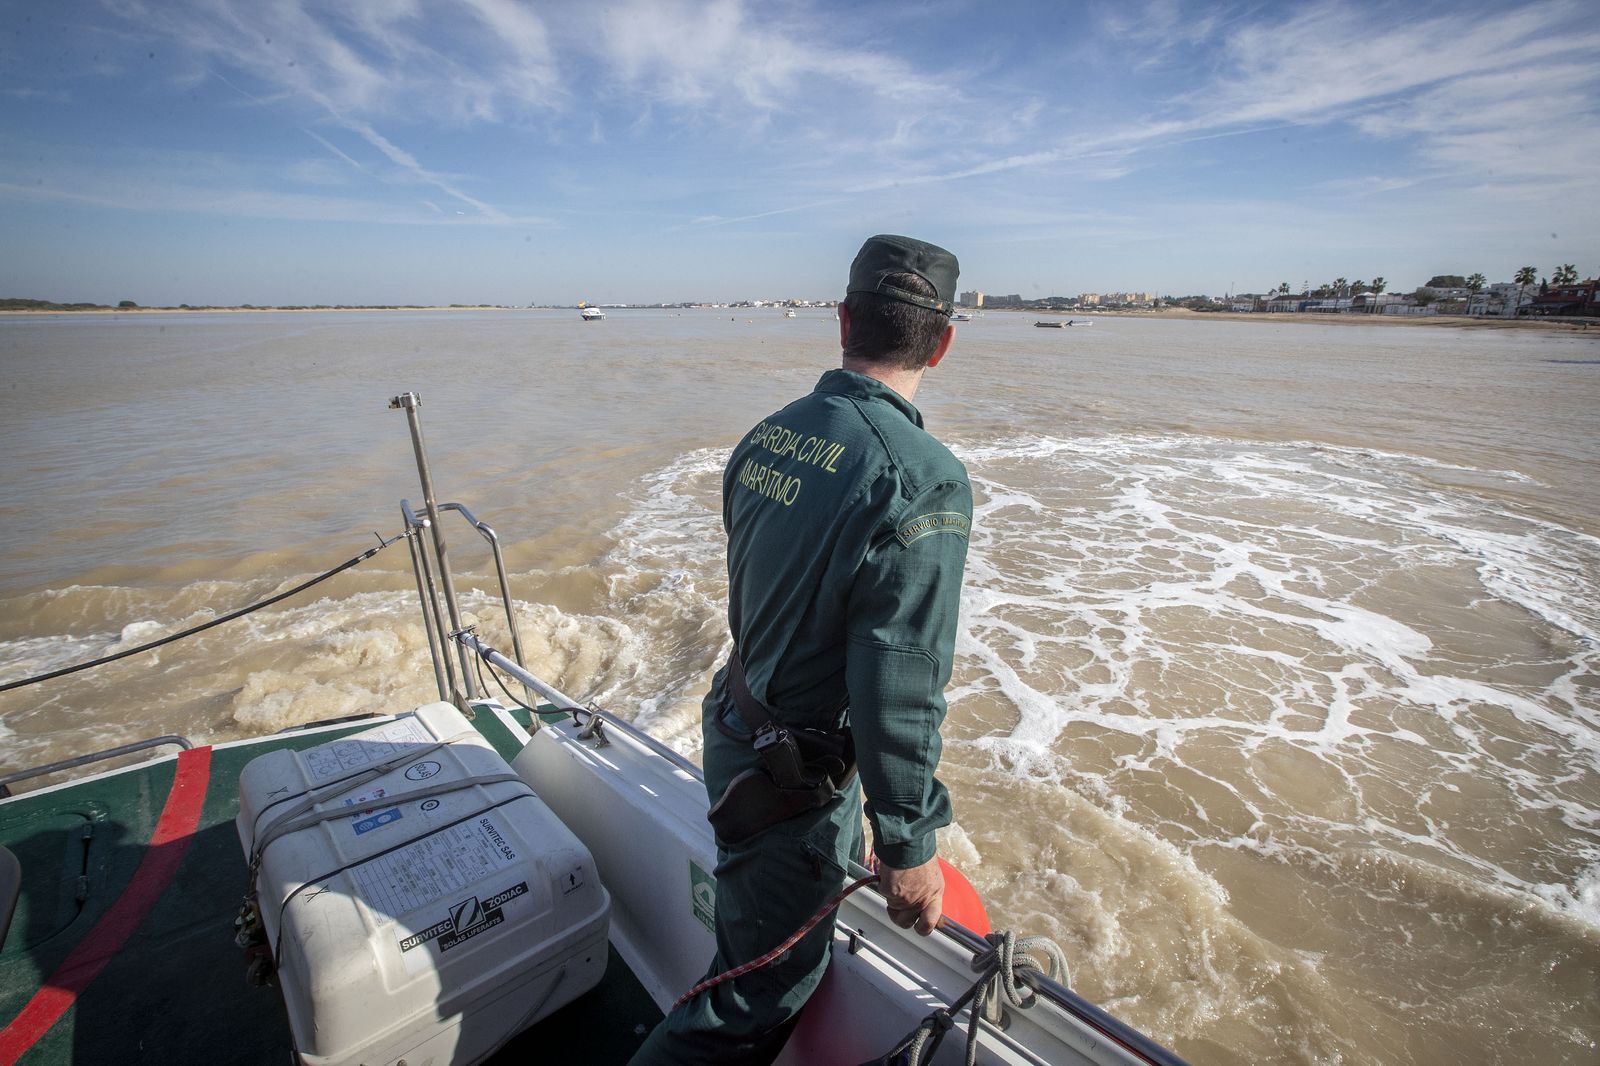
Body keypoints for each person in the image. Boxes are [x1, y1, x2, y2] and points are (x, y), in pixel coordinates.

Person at [630, 234, 972, 1065]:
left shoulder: (766, 436)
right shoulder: (922, 478)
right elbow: (900, 679)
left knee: (753, 954)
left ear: (845, 320)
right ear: (944, 341)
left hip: (737, 728)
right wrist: (908, 844)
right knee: (753, 994)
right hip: (790, 783)